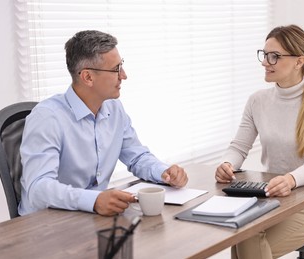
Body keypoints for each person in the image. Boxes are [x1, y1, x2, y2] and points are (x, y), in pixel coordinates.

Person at [19, 30, 188, 217]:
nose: (124, 75)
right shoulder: (47, 118)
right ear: (88, 77)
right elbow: (39, 188)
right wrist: (94, 200)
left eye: (121, 65)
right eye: (116, 69)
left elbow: (136, 157)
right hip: (44, 225)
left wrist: (164, 172)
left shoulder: (114, 108)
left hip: (91, 217)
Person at [215, 25, 304, 259]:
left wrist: (291, 180)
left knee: (247, 243)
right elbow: (239, 147)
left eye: (274, 56)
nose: (265, 62)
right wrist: (227, 164)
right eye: (264, 54)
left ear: (299, 61)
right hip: (272, 196)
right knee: (241, 231)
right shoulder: (257, 101)